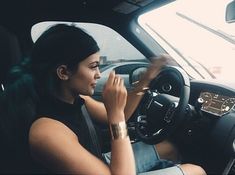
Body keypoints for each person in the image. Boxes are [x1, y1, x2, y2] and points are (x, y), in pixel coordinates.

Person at [0, 24, 206, 174]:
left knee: (169, 148)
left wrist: (148, 76)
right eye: (92, 66)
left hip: (99, 163)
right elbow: (119, 120)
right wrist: (115, 115)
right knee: (195, 171)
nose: (99, 74)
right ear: (63, 72)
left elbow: (123, 114)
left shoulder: (76, 99)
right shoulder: (47, 132)